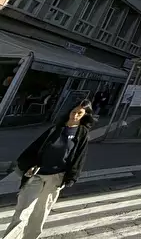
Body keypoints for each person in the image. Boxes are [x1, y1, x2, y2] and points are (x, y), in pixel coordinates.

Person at [4, 100, 94, 239]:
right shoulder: (56, 128)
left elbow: (79, 157)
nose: (75, 116)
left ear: (84, 116)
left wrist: (71, 178)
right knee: (23, 211)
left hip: (56, 177)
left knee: (40, 214)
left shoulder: (82, 133)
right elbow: (36, 147)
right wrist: (27, 165)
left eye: (79, 113)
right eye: (73, 112)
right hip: (37, 174)